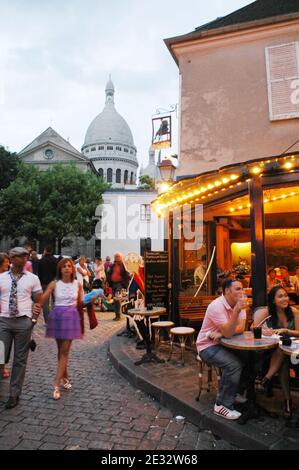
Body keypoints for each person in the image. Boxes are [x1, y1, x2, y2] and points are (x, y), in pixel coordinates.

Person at [196, 278, 248, 420]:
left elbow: (241, 328)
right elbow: (229, 332)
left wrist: (221, 333)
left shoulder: (239, 304)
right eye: (238, 289)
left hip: (224, 343)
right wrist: (236, 311)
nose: (242, 292)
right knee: (233, 365)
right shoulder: (216, 306)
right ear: (227, 291)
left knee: (249, 358)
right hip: (207, 346)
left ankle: (233, 392)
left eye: (242, 288)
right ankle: (222, 405)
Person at [0, 247, 42, 409]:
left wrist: (33, 319)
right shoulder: (1, 277)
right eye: (20, 256)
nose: (24, 259)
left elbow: (38, 299)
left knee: (20, 360)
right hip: (4, 321)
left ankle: (14, 394)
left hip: (23, 322)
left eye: (25, 256)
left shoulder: (33, 278)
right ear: (12, 259)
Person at [253, 285, 299, 419]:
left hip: (294, 353)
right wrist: (263, 330)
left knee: (283, 354)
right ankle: (287, 401)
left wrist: (286, 331)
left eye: (285, 295)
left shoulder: (294, 312)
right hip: (273, 353)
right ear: (273, 301)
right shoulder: (267, 312)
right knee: (282, 355)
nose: (285, 298)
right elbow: (253, 327)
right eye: (280, 296)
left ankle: (266, 379)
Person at [41, 258, 83, 400]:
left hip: (71, 317)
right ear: (60, 269)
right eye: (64, 266)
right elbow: (42, 299)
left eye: (69, 266)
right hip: (57, 316)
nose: (66, 268)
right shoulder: (54, 284)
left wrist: (93, 298)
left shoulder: (78, 284)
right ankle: (66, 377)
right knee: (60, 351)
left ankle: (56, 384)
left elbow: (81, 303)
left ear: (72, 269)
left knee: (64, 351)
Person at [37, 246, 58, 325]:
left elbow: (39, 273)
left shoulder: (41, 261)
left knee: (45, 304)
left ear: (45, 251)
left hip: (44, 284)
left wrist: (40, 282)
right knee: (55, 301)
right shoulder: (56, 260)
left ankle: (47, 322)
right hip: (54, 283)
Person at [107, 252, 130, 321]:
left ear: (121, 257)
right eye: (116, 257)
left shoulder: (124, 265)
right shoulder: (112, 265)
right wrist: (107, 282)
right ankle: (117, 315)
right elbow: (109, 273)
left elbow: (127, 274)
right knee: (115, 299)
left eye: (118, 257)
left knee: (117, 299)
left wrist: (125, 283)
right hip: (113, 284)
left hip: (120, 284)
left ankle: (118, 315)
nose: (117, 258)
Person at [0, 253, 11, 379]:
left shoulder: (8, 277)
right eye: (6, 262)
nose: (8, 264)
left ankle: (2, 367)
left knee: (2, 343)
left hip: (5, 314)